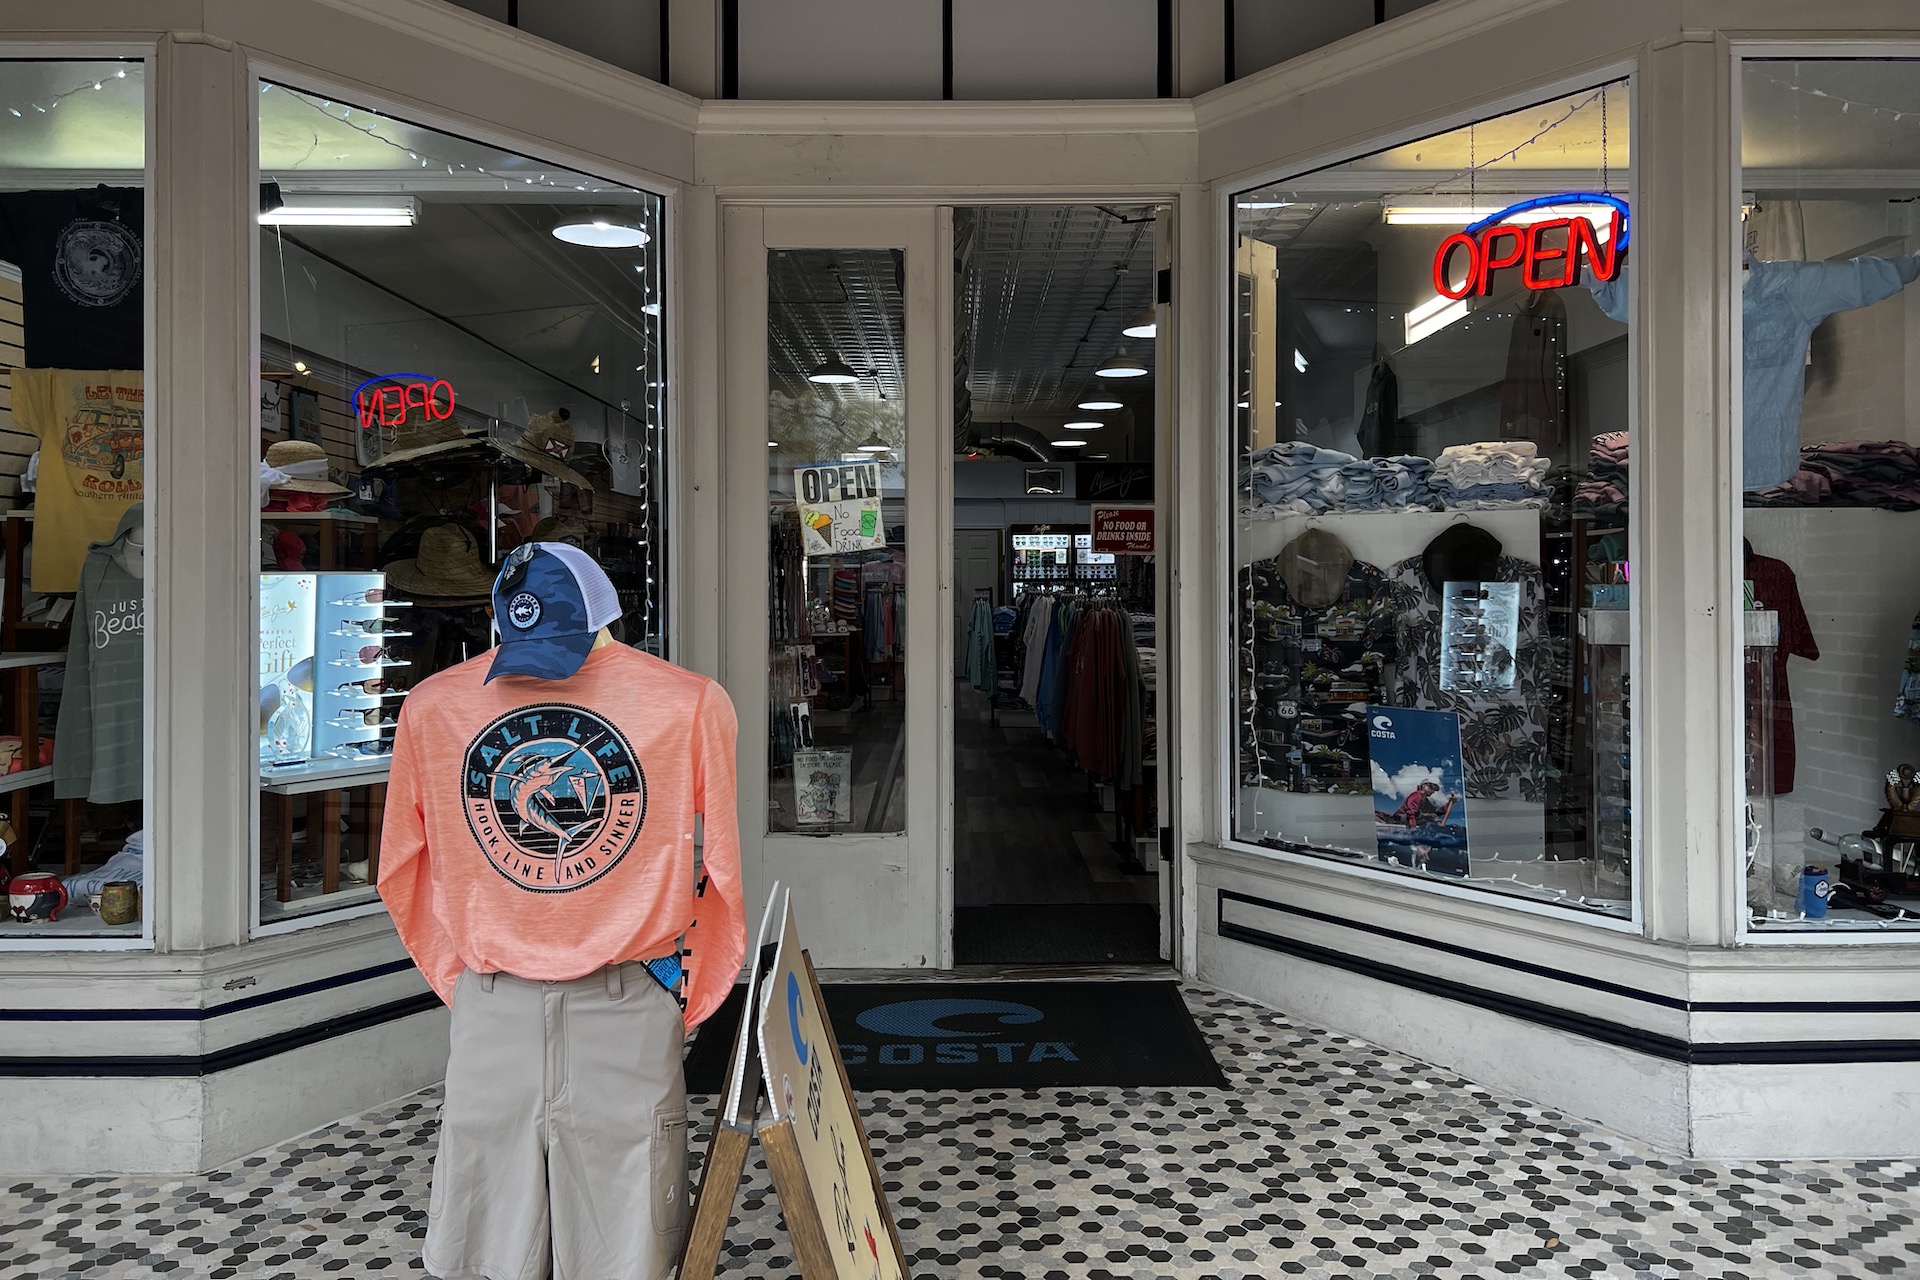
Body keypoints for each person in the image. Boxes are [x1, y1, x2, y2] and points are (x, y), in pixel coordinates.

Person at [379, 541, 745, 1280]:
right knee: (490, 1249)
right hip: (508, 1008)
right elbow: (403, 867)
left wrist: (679, 996)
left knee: (626, 1249)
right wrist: (473, 984)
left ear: (604, 616)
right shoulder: (433, 709)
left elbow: (723, 873)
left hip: (611, 1004)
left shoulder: (690, 705)